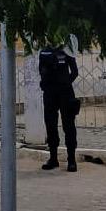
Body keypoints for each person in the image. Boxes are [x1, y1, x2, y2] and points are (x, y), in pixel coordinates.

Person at [38, 44, 80, 172]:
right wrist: (47, 83)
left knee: (69, 125)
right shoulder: (44, 51)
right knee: (50, 125)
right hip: (50, 92)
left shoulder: (66, 50)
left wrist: (65, 83)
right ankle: (53, 158)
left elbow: (74, 72)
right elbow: (41, 70)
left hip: (65, 92)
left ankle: (71, 160)